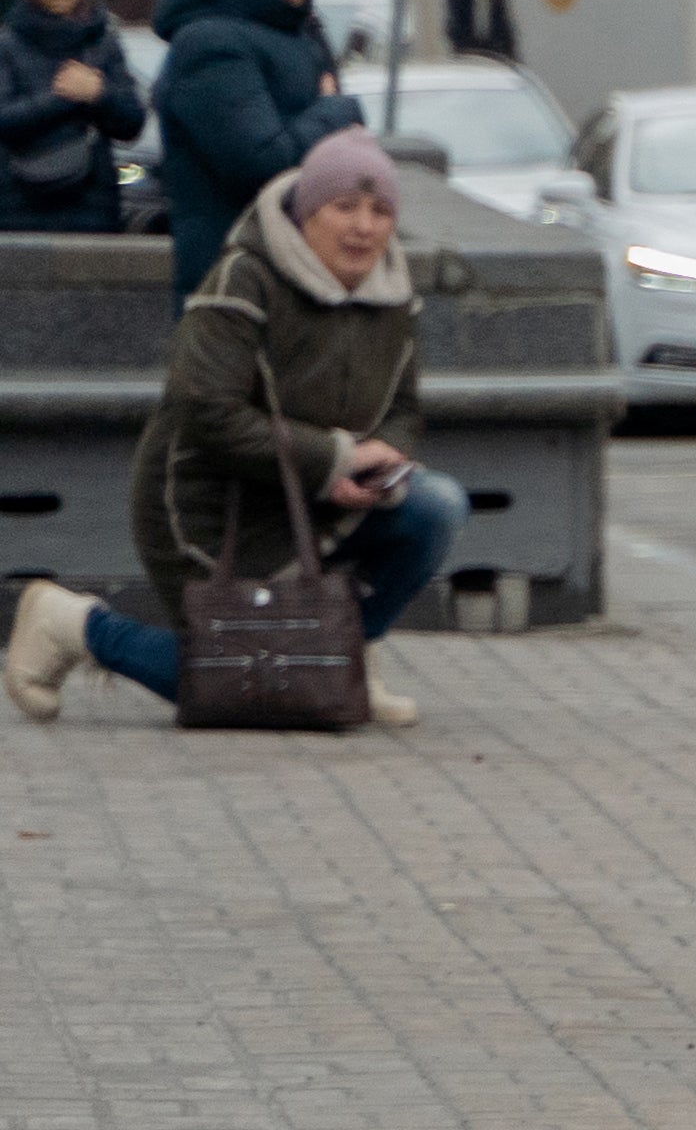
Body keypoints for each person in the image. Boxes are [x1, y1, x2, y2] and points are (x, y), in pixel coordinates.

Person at [3, 131, 465, 729]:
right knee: (242, 681)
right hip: (207, 510)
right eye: (344, 207)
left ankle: (340, 659)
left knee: (437, 507)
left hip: (316, 498)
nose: (363, 227)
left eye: (380, 212)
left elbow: (403, 405)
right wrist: (333, 460)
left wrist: (382, 461)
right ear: (306, 213)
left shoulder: (394, 296)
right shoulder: (244, 280)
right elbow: (207, 412)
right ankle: (73, 625)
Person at [148, 0, 362, 299]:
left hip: (296, 282)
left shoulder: (298, 32)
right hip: (232, 289)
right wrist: (336, 111)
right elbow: (262, 164)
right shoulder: (209, 44)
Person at [4, 0, 147, 234]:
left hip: (92, 197)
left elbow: (132, 122)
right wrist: (62, 97)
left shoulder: (103, 41)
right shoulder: (10, 43)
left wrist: (98, 94)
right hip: (20, 196)